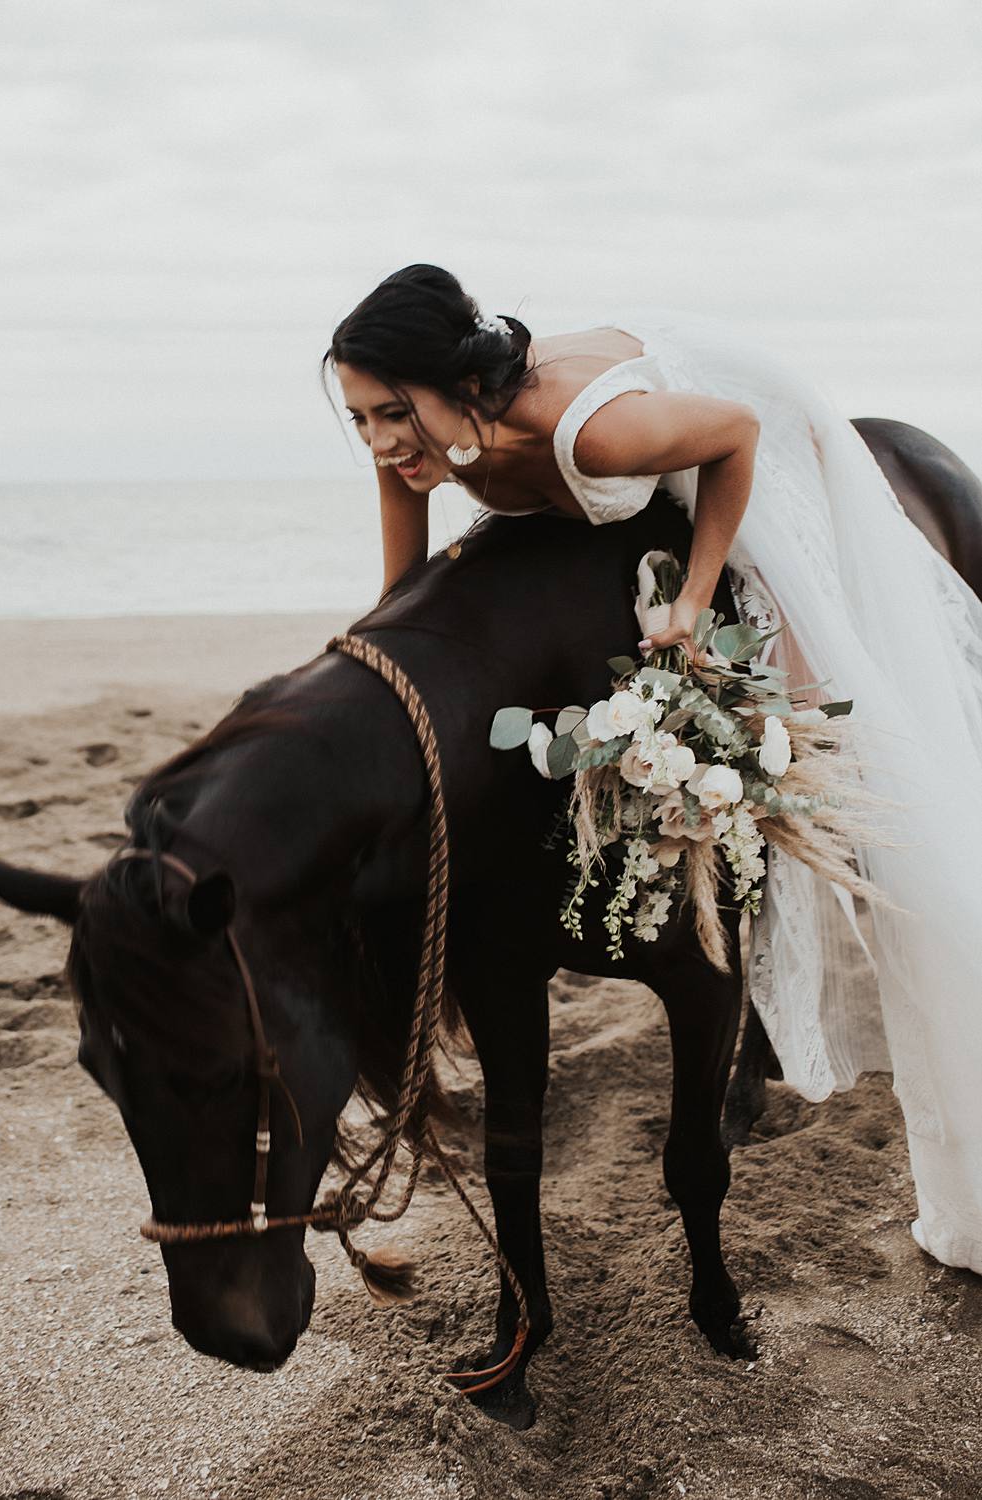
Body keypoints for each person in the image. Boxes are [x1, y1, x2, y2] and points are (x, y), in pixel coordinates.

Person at [324, 263, 982, 1276]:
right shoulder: (420, 443)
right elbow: (400, 589)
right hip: (586, 437)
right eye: (359, 417)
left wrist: (694, 597)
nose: (376, 441)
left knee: (788, 683)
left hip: (721, 425)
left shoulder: (591, 433)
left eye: (388, 412)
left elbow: (732, 437)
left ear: (447, 385)